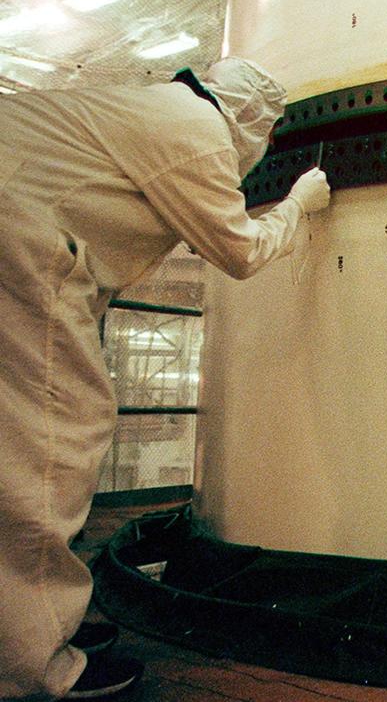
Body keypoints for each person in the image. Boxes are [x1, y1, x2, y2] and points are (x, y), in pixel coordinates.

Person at [0, 57, 330, 700]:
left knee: (17, 448)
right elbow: (239, 251)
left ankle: (25, 630)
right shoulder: (198, 130)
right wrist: (299, 204)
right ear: (249, 123)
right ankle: (34, 668)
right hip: (21, 247)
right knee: (48, 448)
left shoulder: (145, 110)